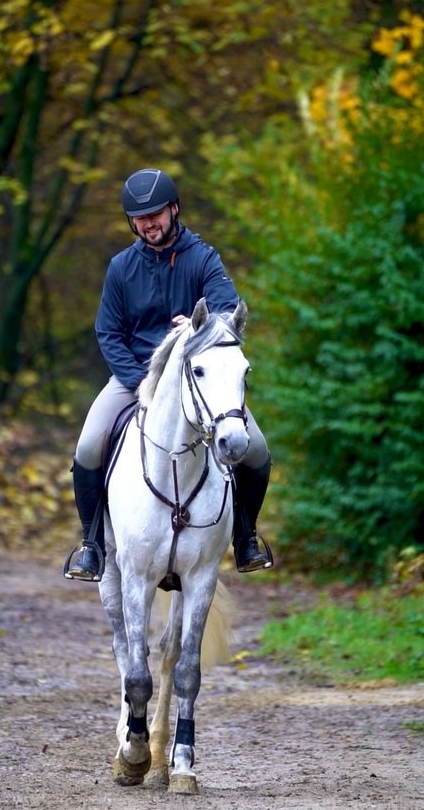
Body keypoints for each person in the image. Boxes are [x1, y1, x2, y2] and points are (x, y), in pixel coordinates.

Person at [64, 167, 273, 581]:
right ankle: (91, 545)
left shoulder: (203, 258)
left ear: (174, 209)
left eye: (156, 214)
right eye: (140, 218)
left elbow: (226, 310)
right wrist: (138, 381)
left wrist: (200, 327)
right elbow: (108, 332)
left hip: (198, 381)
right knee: (88, 446)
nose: (149, 223)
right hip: (135, 379)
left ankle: (244, 537)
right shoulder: (121, 267)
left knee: (257, 451)